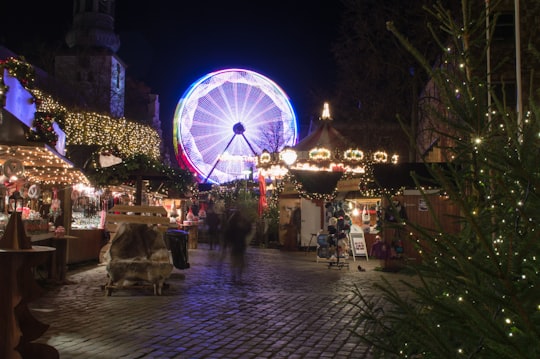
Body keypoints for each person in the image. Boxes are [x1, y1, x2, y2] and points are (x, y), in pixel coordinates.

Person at [224, 210, 252, 282]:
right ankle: (238, 275)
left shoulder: (232, 224)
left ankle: (234, 275)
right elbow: (248, 230)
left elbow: (227, 234)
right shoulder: (241, 226)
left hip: (235, 245)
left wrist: (228, 243)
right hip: (240, 245)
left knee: (235, 261)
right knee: (240, 261)